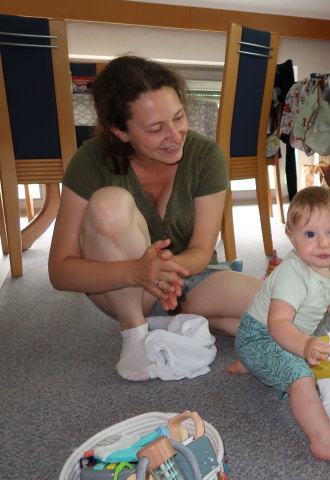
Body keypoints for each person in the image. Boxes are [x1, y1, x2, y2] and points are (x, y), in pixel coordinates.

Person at [48, 56, 262, 381]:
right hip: (121, 288)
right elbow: (60, 271)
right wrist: (136, 272)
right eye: (155, 129)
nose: (175, 135)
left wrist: (163, 274)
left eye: (178, 117)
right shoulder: (90, 161)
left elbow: (202, 250)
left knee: (284, 308)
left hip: (190, 279)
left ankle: (182, 320)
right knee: (109, 203)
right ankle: (135, 331)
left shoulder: (206, 156)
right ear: (121, 131)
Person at [229, 186, 330, 468]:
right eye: (310, 235)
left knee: (294, 358)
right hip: (263, 337)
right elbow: (277, 323)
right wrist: (303, 345)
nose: (323, 244)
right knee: (302, 377)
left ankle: (252, 364)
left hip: (274, 337)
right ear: (292, 237)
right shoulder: (293, 275)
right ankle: (323, 439)